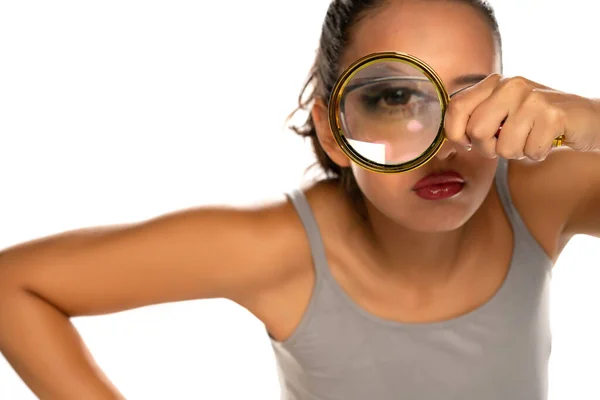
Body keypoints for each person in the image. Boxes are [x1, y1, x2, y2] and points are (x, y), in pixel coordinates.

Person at [0, 0, 599, 398]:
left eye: (470, 97)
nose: (443, 142)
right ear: (336, 132)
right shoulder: (281, 250)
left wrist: (595, 123)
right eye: (395, 98)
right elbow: (14, 284)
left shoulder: (541, 193)